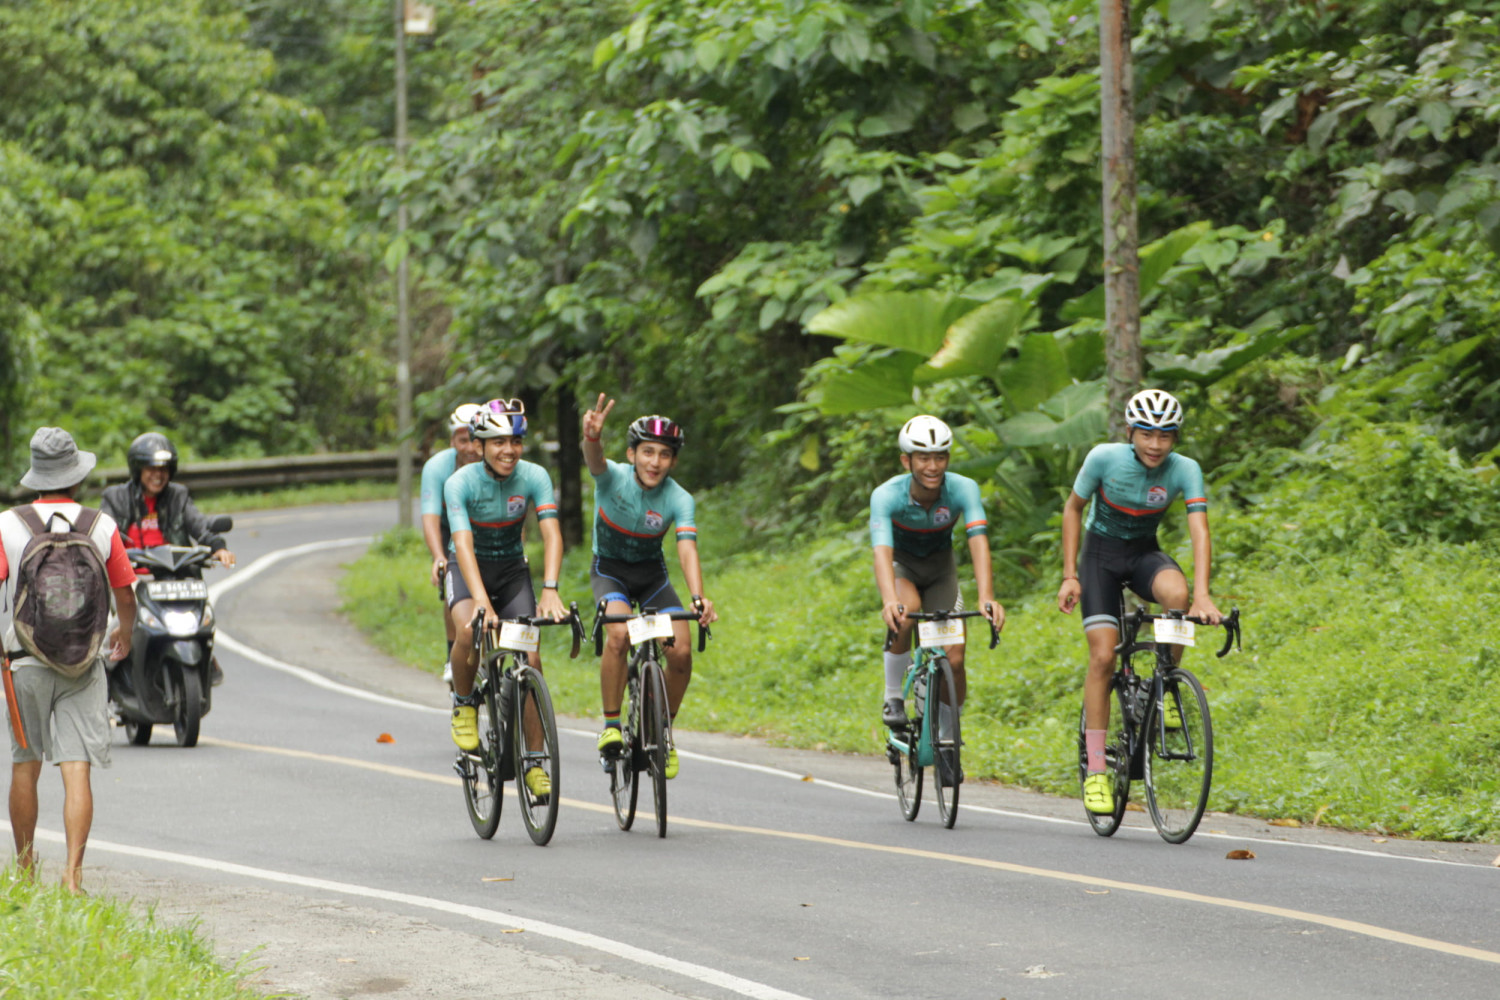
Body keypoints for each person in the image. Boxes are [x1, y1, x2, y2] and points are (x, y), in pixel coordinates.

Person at [1056, 388, 1223, 816]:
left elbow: (1199, 530)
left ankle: (1163, 685)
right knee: (1103, 657)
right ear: (1130, 432)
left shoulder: (1185, 469)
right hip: (1100, 558)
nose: (1155, 444)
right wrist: (1070, 574)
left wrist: (1203, 595)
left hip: (1143, 553)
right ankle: (1096, 770)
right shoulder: (1103, 459)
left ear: (1175, 438)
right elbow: (1073, 509)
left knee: (1178, 595)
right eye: (1147, 434)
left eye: (1165, 436)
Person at [1, 427, 137, 894]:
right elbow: (125, 593)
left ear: (36, 476)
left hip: (24, 659)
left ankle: (24, 871)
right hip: (84, 663)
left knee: (26, 764)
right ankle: (73, 875)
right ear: (76, 476)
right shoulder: (101, 526)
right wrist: (124, 633)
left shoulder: (8, 524)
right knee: (77, 766)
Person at [582, 395, 716, 780]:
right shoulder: (612, 477)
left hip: (651, 577)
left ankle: (663, 732)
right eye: (647, 452)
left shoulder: (679, 498)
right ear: (631, 454)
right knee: (618, 635)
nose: (655, 462)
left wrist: (698, 596)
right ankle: (611, 726)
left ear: (673, 461)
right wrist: (591, 437)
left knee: (681, 651)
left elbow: (686, 547)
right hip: (609, 571)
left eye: (664, 454)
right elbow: (594, 459)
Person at [443, 398, 565, 800]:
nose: (509, 450)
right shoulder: (459, 482)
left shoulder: (534, 476)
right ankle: (464, 703)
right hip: (468, 567)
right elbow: (462, 543)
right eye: (498, 442)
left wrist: (550, 588)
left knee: (531, 658)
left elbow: (551, 533)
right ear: (479, 446)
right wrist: (480, 600)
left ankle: (534, 761)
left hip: (512, 572)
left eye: (515, 441)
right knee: (468, 630)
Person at [870, 415, 1004, 754]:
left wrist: (987, 596)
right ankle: (893, 696)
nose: (933, 466)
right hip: (903, 567)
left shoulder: (962, 488)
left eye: (940, 457)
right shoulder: (886, 495)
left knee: (954, 660)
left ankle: (948, 737)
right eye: (924, 458)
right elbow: (882, 552)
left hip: (941, 570)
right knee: (906, 611)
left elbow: (978, 540)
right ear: (907, 461)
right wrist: (889, 600)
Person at [101, 432, 235, 685]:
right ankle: (105, 669)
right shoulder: (116, 497)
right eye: (151, 468)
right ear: (138, 469)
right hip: (132, 578)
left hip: (174, 577)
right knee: (122, 617)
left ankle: (204, 651)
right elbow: (105, 531)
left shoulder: (178, 495)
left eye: (164, 468)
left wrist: (218, 548)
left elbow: (199, 525)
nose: (158, 475)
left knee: (201, 612)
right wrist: (114, 553)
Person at [420, 403, 483, 686]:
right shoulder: (437, 467)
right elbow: (430, 517)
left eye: (474, 440)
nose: (470, 448)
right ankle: (451, 654)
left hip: (485, 526)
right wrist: (438, 557)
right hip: (449, 529)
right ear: (452, 442)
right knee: (451, 579)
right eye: (462, 440)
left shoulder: (497, 462)